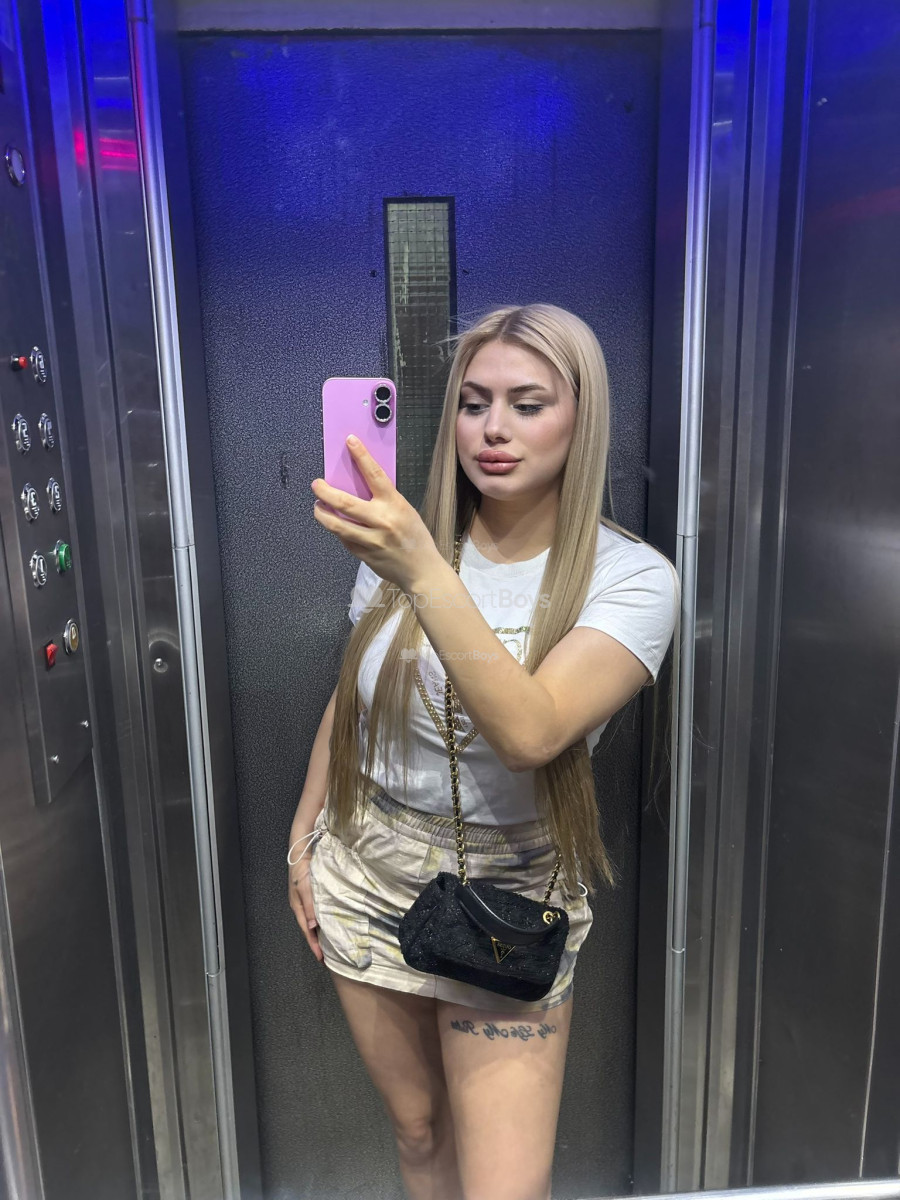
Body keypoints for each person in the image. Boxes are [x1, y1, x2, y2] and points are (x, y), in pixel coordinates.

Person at [287, 303, 679, 1200]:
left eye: (527, 404)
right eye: (473, 403)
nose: (493, 429)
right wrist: (304, 841)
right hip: (365, 868)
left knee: (505, 1185)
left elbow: (533, 732)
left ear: (582, 418)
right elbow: (354, 702)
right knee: (419, 1132)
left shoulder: (630, 578)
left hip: (510, 892)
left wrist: (423, 570)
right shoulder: (405, 547)